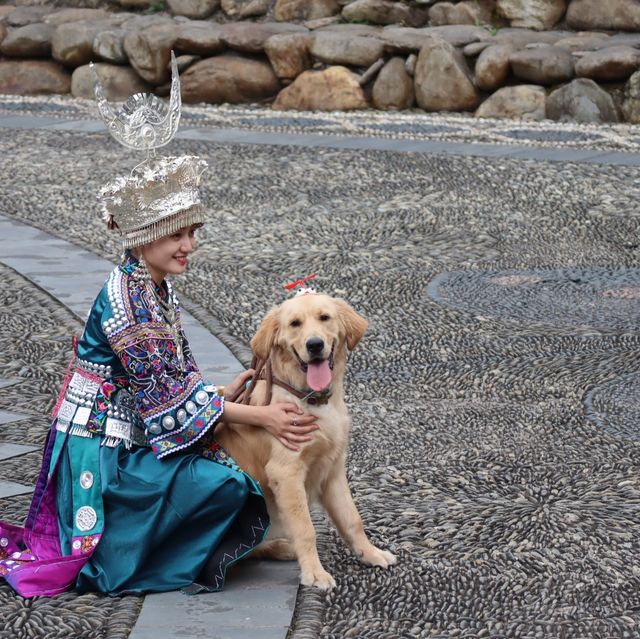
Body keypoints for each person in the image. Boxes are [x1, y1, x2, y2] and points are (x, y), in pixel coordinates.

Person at [0, 63, 318, 599]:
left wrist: (222, 394)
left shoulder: (151, 286)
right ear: (144, 239)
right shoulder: (130, 302)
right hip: (104, 448)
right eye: (176, 235)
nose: (189, 246)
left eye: (192, 232)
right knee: (223, 481)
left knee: (221, 471)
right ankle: (131, 553)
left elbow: (173, 379)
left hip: (135, 427)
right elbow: (165, 402)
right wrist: (258, 413)